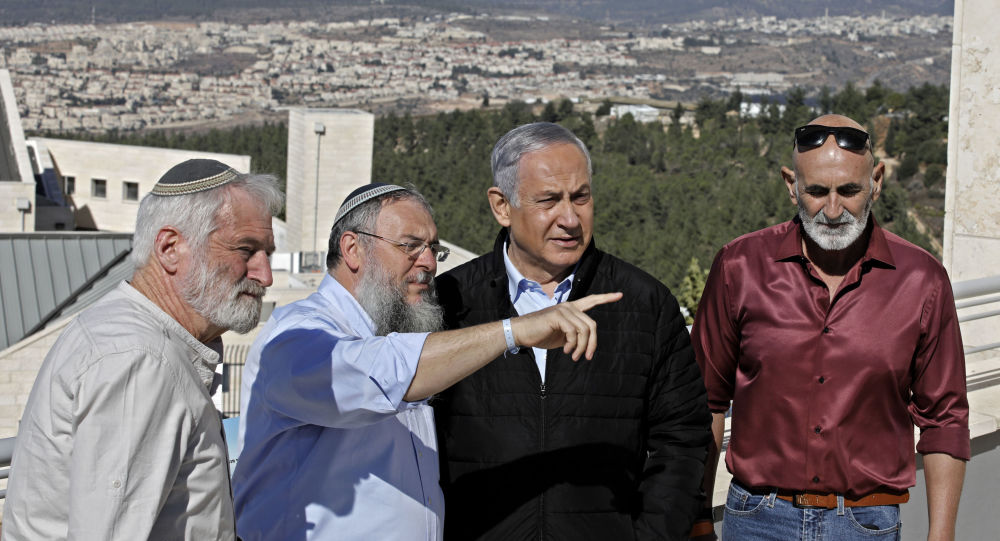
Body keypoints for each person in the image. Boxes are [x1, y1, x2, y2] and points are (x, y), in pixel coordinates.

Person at [233, 183, 620, 541]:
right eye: (411, 246)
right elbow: (371, 374)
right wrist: (513, 331)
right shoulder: (295, 334)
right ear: (352, 249)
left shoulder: (395, 332)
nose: (430, 263)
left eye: (434, 248)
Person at [691, 114, 969, 541]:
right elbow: (704, 401)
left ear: (876, 181)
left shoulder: (922, 280)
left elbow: (944, 419)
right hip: (757, 520)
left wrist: (942, 535)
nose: (834, 210)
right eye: (817, 191)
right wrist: (697, 518)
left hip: (866, 524)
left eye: (849, 191)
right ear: (791, 185)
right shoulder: (738, 267)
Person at [433, 122, 712, 540]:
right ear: (502, 206)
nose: (569, 219)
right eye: (549, 200)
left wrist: (650, 535)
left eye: (580, 197)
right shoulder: (448, 304)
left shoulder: (644, 303)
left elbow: (682, 437)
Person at [2, 159, 282, 541]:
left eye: (268, 254)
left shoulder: (136, 338)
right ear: (170, 248)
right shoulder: (142, 360)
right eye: (245, 250)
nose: (265, 275)